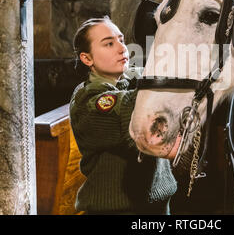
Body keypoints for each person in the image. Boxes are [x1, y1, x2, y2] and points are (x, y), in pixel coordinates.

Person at [69, 17, 177, 214]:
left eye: (121, 40)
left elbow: (152, 77)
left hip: (159, 207)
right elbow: (128, 107)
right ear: (87, 58)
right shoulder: (86, 100)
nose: (122, 48)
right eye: (109, 43)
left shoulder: (132, 79)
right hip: (117, 210)